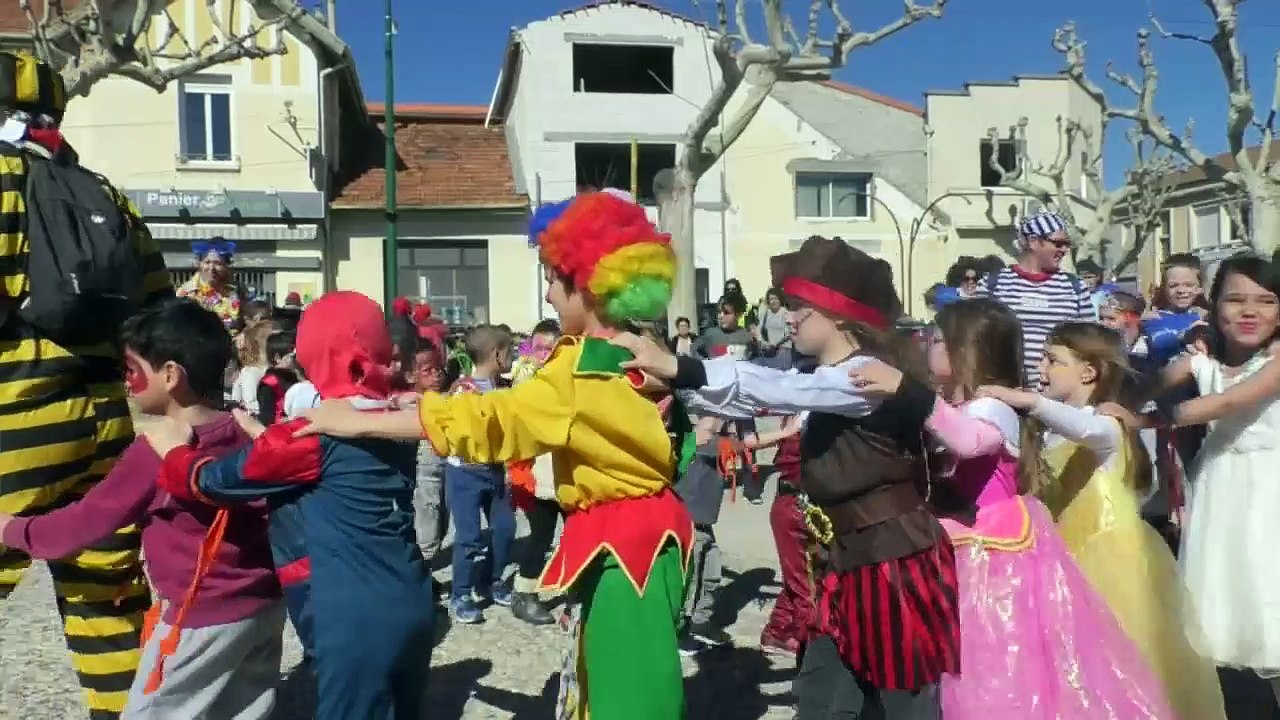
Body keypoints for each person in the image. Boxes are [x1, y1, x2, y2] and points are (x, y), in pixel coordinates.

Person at [297, 190, 695, 719]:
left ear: (591, 285)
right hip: (648, 532)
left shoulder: (582, 368)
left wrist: (352, 422)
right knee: (620, 677)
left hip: (627, 546)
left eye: (553, 280)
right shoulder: (638, 357)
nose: (549, 296)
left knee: (629, 698)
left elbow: (486, 421)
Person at [619, 235, 957, 719]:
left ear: (838, 316)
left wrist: (681, 365)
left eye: (801, 307)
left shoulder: (864, 374)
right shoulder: (829, 378)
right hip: (847, 561)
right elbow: (759, 394)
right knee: (821, 696)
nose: (788, 316)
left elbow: (776, 387)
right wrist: (674, 379)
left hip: (892, 563)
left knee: (902, 703)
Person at [861, 300, 1170, 718]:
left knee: (995, 655)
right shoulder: (959, 404)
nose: (925, 347)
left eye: (935, 340)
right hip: (961, 539)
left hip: (994, 552)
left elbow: (969, 442)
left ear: (962, 349)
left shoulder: (990, 408)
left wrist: (910, 394)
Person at [140, 291, 434, 720]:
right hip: (413, 597)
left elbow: (214, 482)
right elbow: (333, 475)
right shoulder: (393, 417)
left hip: (354, 615)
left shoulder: (308, 434)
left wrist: (173, 453)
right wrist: (262, 433)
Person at [0, 300, 282, 718]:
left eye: (132, 370)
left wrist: (14, 530)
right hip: (264, 607)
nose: (126, 383)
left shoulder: (156, 449)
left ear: (170, 375)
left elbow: (86, 522)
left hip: (198, 618)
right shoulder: (242, 430)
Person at [0, 51, 174, 718]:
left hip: (14, 420)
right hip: (106, 425)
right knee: (109, 596)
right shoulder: (104, 192)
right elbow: (158, 310)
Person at [978, 323, 1226, 719]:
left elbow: (1086, 428)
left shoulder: (1105, 424)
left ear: (1088, 372)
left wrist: (1026, 400)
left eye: (1052, 360)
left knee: (1126, 668)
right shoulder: (1049, 432)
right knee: (1079, 674)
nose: (1040, 368)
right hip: (1064, 563)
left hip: (1109, 566)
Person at [1105, 255, 1280, 700]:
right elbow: (1146, 383)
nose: (1249, 311)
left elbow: (1226, 404)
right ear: (1212, 305)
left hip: (1269, 487)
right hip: (1220, 487)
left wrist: (1143, 421)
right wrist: (1112, 394)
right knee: (1223, 605)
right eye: (1235, 299)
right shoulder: (1201, 360)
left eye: (1265, 301)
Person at [444, 324, 517, 624]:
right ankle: (459, 594)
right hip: (466, 473)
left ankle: (493, 580)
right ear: (497, 354)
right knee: (469, 536)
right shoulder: (464, 390)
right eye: (511, 351)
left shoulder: (503, 388)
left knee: (504, 528)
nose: (514, 356)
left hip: (495, 471)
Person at [974, 212, 1093, 387]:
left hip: (1056, 396)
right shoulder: (993, 284)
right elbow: (975, 337)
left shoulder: (1075, 287)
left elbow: (1090, 342)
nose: (1065, 250)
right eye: (1058, 243)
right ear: (1033, 241)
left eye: (1067, 244)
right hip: (1002, 391)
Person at [507, 317, 564, 626]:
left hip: (569, 472)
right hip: (540, 475)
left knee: (577, 534)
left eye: (550, 349)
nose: (543, 353)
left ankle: (579, 588)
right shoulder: (525, 377)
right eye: (538, 347)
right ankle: (524, 592)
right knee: (540, 537)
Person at [178, 238, 245, 331]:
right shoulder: (187, 292)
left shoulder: (238, 290)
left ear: (226, 266)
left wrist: (244, 333)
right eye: (207, 262)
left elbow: (250, 320)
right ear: (199, 264)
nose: (211, 268)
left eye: (217, 263)